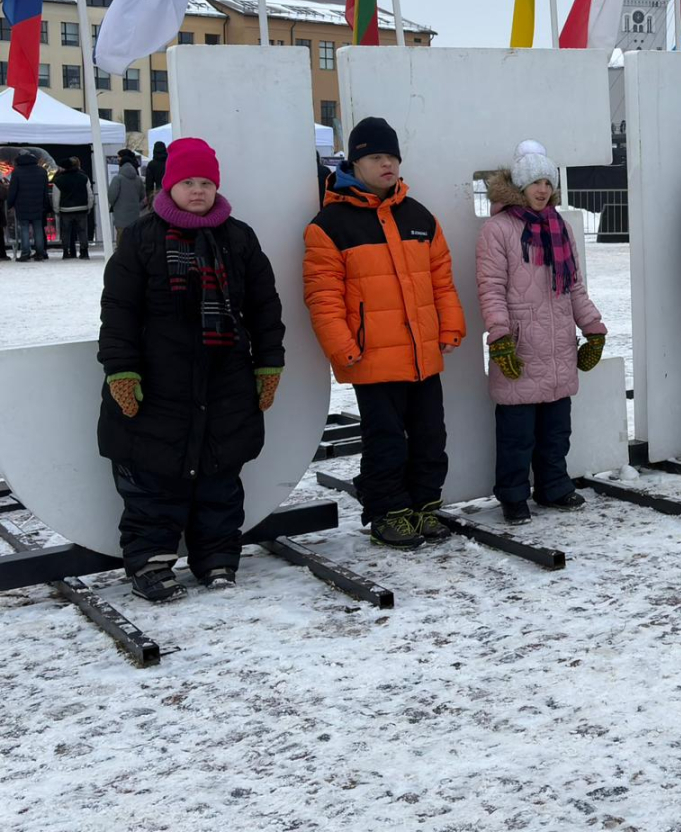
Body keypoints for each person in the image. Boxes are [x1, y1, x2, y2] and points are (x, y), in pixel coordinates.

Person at [97, 137, 285, 601]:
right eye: (187, 182)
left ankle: (217, 557)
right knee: (153, 476)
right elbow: (119, 309)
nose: (197, 190)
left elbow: (264, 306)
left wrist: (269, 363)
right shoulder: (141, 237)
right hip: (161, 381)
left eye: (205, 183)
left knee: (220, 476)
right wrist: (121, 370)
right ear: (169, 186)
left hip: (226, 379)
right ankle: (151, 563)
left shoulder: (238, 237)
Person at [303, 117, 466, 549]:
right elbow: (323, 296)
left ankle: (424, 505)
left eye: (392, 156)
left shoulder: (419, 217)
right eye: (376, 157)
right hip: (372, 356)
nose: (387, 164)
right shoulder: (330, 224)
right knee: (386, 441)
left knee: (431, 437)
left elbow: (442, 282)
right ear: (355, 162)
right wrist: (343, 346)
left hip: (422, 354)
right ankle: (387, 513)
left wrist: (451, 326)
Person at [477, 141, 607, 526]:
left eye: (548, 182)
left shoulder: (559, 226)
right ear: (520, 185)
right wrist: (500, 338)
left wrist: (593, 328)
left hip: (558, 344)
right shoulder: (498, 229)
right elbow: (491, 288)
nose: (542, 189)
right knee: (516, 435)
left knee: (556, 429)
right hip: (520, 345)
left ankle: (553, 486)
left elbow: (574, 286)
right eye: (535, 182)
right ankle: (513, 496)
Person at [6, 150, 52, 261]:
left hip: (22, 205)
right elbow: (45, 191)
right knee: (38, 229)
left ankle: (25, 253)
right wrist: (46, 205)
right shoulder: (42, 171)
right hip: (38, 205)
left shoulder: (17, 172)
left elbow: (13, 190)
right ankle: (40, 253)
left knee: (24, 229)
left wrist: (9, 204)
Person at [51, 157, 94, 259]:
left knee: (66, 232)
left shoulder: (58, 180)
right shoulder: (84, 178)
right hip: (82, 208)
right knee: (82, 231)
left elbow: (56, 197)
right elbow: (90, 194)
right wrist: (89, 206)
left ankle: (66, 252)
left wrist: (56, 209)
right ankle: (84, 251)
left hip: (65, 210)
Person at [108, 154, 146, 242]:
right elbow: (142, 196)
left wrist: (114, 205)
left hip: (120, 215)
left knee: (121, 240)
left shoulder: (117, 179)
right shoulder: (138, 179)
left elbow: (111, 196)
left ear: (120, 165)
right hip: (135, 215)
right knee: (134, 241)